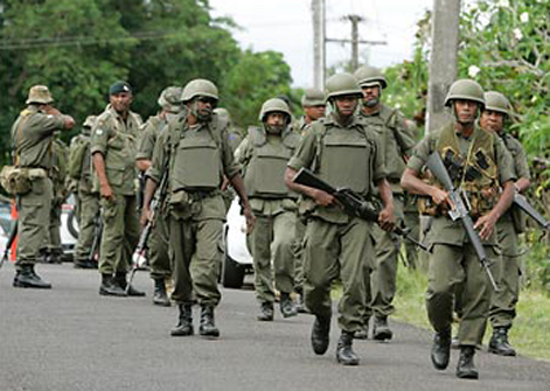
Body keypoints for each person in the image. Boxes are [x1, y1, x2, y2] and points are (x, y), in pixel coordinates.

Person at [401, 79, 516, 379]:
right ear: (452, 106)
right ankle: (441, 331)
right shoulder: (435, 139)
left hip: (480, 227)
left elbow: (509, 187)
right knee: (439, 288)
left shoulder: (493, 143)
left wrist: (493, 216)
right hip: (446, 225)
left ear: (479, 108)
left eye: (472, 104)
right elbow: (407, 178)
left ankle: (467, 352)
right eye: (461, 103)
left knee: (480, 290)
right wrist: (433, 192)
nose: (466, 108)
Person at [284, 73, 394, 366]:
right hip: (322, 215)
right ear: (332, 101)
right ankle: (321, 316)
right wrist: (316, 194)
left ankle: (346, 337)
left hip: (357, 217)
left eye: (353, 98)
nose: (348, 103)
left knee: (357, 279)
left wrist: (388, 208)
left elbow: (381, 178)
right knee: (316, 281)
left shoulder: (369, 134)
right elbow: (290, 176)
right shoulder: (316, 132)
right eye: (342, 98)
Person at [142, 78, 254, 338]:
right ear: (189, 103)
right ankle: (184, 314)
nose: (207, 106)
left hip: (210, 203)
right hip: (178, 205)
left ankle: (207, 313)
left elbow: (232, 169)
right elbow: (155, 172)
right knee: (179, 265)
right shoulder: (169, 132)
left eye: (211, 102)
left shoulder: (218, 130)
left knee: (207, 262)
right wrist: (146, 208)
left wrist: (246, 205)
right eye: (202, 101)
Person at [353, 65, 418, 341]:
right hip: (355, 193)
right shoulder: (347, 118)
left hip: (389, 192)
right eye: (364, 87)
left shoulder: (392, 118)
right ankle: (357, 315)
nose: (369, 91)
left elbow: (412, 152)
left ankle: (380, 314)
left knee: (386, 256)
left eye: (374, 86)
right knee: (356, 258)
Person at [236, 98, 300, 321]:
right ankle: (265, 300)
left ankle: (284, 293)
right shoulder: (251, 141)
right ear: (264, 118)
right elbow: (235, 166)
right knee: (259, 255)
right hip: (256, 206)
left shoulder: (296, 142)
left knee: (284, 245)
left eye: (280, 116)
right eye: (272, 116)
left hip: (286, 205)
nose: (276, 120)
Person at [480, 91, 530, 357]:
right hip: (474, 216)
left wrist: (507, 191)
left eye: (498, 115)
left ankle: (500, 330)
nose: (493, 119)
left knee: (508, 272)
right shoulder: (466, 142)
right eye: (488, 113)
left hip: (505, 217)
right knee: (468, 270)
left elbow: (524, 178)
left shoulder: (512, 147)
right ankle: (465, 327)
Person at [10, 85, 74, 288]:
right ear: (44, 104)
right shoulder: (37, 119)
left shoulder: (21, 120)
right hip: (36, 178)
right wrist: (52, 111)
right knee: (34, 224)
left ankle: (24, 266)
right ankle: (25, 269)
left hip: (25, 175)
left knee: (28, 221)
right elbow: (69, 122)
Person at [91, 81, 144, 297]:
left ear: (130, 98)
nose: (120, 100)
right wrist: (104, 184)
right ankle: (106, 278)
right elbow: (97, 153)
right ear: (110, 98)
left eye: (124, 96)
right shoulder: (104, 121)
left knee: (132, 233)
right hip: (113, 185)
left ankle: (121, 277)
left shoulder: (135, 121)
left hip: (131, 185)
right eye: (116, 96)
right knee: (113, 232)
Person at [136, 86, 183, 306]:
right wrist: (161, 167)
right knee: (159, 243)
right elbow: (141, 160)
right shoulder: (152, 128)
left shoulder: (187, 128)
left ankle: (179, 283)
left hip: (182, 190)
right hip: (159, 189)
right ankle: (159, 282)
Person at [292, 88, 326, 312]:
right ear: (306, 109)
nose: (322, 110)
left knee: (315, 246)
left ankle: (312, 291)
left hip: (322, 193)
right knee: (298, 244)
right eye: (317, 106)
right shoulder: (293, 130)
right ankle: (300, 290)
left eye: (324, 106)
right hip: (297, 192)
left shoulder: (327, 130)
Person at [70, 115, 100, 269]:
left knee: (83, 220)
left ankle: (84, 252)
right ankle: (82, 255)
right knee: (88, 221)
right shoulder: (91, 144)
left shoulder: (78, 141)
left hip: (79, 186)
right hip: (90, 187)